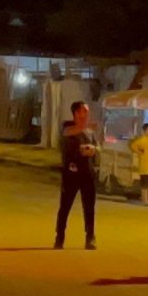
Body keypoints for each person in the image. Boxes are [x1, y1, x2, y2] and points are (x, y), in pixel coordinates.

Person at [54, 99, 99, 248]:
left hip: (88, 172)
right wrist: (86, 128)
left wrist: (93, 150)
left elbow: (97, 147)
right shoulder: (67, 126)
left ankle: (90, 236)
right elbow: (68, 133)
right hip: (71, 173)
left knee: (89, 207)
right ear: (76, 113)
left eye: (87, 111)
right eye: (83, 111)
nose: (86, 114)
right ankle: (60, 236)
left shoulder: (89, 131)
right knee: (65, 206)